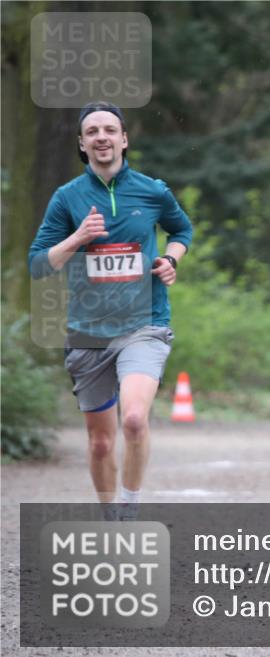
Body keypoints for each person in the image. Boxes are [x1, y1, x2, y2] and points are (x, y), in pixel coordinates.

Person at [28, 102, 194, 521]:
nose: (101, 136)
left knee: (135, 419)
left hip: (145, 323)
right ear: (82, 144)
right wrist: (77, 238)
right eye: (92, 131)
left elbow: (182, 229)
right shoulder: (67, 198)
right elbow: (37, 264)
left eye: (109, 129)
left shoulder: (152, 191)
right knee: (101, 442)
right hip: (88, 332)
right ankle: (109, 516)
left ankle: (129, 507)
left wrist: (170, 260)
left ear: (124, 139)